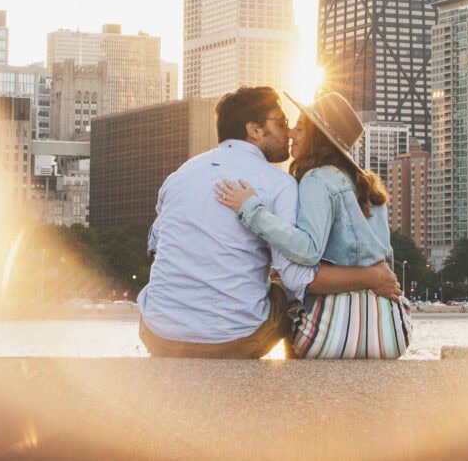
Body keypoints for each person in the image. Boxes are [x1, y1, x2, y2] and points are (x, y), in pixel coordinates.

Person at [138, 86, 401, 359]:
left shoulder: (180, 174)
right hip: (235, 341)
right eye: (282, 122)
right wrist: (372, 277)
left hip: (158, 335)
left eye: (293, 125)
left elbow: (155, 244)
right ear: (255, 129)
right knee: (287, 294)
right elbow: (300, 278)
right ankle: (301, 386)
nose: (287, 132)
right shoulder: (280, 184)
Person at [215, 91, 412, 359]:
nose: (291, 134)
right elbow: (379, 260)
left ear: (316, 137)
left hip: (332, 331)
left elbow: (308, 249)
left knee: (280, 298)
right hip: (392, 331)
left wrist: (251, 210)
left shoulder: (317, 179)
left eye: (298, 128)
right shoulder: (368, 187)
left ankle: (298, 389)